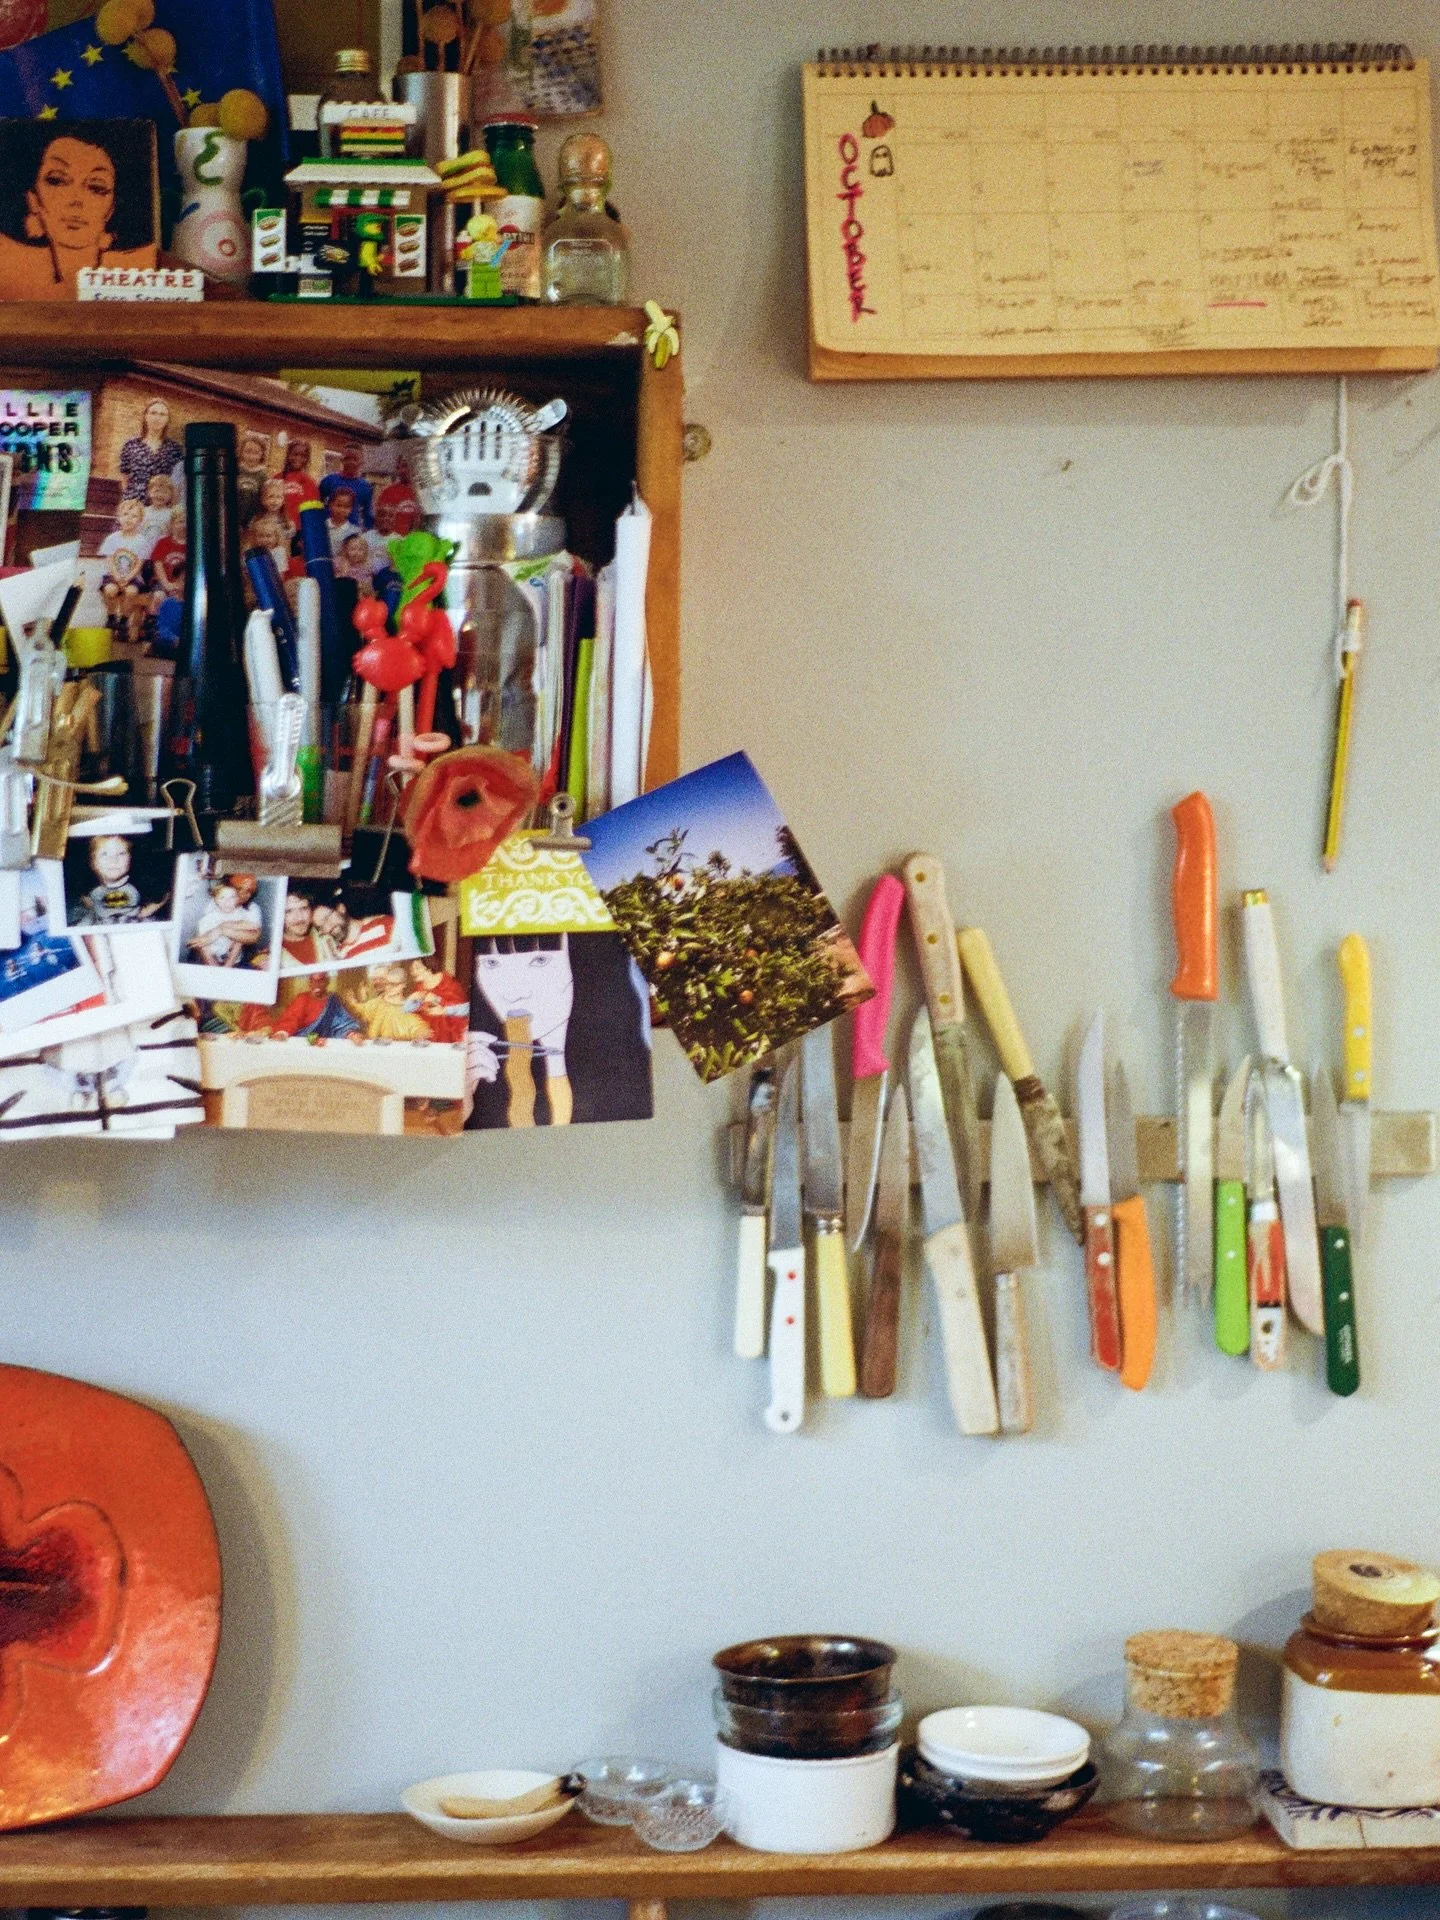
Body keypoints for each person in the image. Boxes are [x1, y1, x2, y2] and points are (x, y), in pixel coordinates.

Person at [0, 127, 157, 300]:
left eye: (96, 187)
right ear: (33, 198)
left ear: (111, 209)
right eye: (57, 181)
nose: (76, 201)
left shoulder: (138, 266)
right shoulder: (11, 271)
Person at [71, 834, 166, 925]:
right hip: (101, 921)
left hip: (133, 921)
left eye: (121, 853)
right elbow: (85, 897)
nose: (113, 860)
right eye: (104, 854)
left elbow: (164, 894)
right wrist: (95, 909)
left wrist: (143, 912)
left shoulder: (140, 881)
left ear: (131, 858)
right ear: (93, 862)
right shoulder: (89, 882)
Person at [118, 396, 183, 502]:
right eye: (153, 413)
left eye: (162, 414)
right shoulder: (131, 445)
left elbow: (177, 481)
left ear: (167, 420)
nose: (157, 418)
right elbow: (124, 477)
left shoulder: (174, 449)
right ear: (145, 416)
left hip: (161, 507)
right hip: (135, 507)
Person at [188, 879, 262, 969]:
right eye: (222, 898)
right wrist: (213, 966)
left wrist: (228, 965)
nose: (227, 902)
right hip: (210, 959)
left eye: (232, 897)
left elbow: (252, 930)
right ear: (215, 900)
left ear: (236, 899)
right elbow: (202, 942)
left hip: (233, 960)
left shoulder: (241, 913)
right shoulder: (209, 916)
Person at [319, 444, 374, 528]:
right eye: (347, 458)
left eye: (355, 459)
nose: (350, 462)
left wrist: (368, 534)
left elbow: (367, 514)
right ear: (341, 460)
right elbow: (316, 504)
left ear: (361, 462)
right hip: (329, 530)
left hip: (351, 533)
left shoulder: (365, 486)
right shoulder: (329, 480)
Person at [279, 437, 321, 529]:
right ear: (288, 455)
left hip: (299, 531)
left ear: (307, 459)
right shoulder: (278, 478)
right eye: (295, 454)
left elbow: (312, 513)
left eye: (303, 456)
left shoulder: (310, 483)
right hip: (278, 529)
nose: (298, 458)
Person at [236, 430, 269, 525]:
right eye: (248, 451)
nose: (251, 456)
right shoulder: (235, 470)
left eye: (256, 453)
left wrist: (257, 519)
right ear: (241, 452)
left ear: (262, 454)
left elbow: (263, 500)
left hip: (251, 521)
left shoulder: (263, 475)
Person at [140, 472, 177, 543]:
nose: (160, 495)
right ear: (149, 492)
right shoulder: (143, 512)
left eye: (164, 492)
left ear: (171, 495)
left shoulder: (171, 514)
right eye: (156, 491)